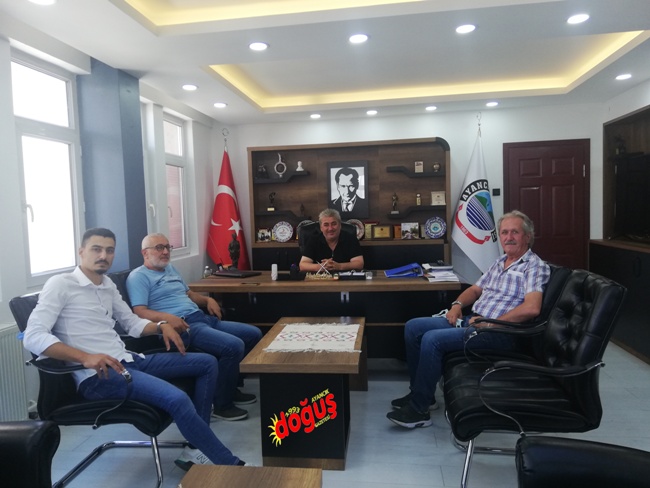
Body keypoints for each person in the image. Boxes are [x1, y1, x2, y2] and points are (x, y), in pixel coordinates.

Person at [22, 228, 246, 471]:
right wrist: (85, 357)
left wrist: (161, 326)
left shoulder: (107, 284)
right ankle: (232, 467)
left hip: (129, 359)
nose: (103, 256)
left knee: (206, 363)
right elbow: (33, 336)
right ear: (81, 251)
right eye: (96, 249)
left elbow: (131, 323)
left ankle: (196, 449)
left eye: (109, 250)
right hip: (99, 376)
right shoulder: (61, 284)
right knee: (177, 398)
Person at [386, 210, 550, 429]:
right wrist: (456, 306)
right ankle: (423, 394)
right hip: (475, 321)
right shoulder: (500, 261)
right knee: (413, 327)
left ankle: (419, 410)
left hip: (501, 332)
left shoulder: (534, 266)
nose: (509, 237)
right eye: (504, 232)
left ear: (527, 236)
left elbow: (532, 308)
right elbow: (474, 290)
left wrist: (492, 323)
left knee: (432, 339)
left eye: (515, 232)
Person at [126, 233, 262, 421]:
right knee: (233, 345)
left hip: (202, 318)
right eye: (159, 248)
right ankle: (221, 405)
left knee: (253, 334)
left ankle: (230, 389)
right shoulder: (138, 277)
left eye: (167, 247)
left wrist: (207, 300)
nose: (165, 252)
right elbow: (139, 311)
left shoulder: (170, 269)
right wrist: (167, 318)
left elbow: (189, 294)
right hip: (184, 326)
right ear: (145, 253)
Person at [299, 208, 364, 273]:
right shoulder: (314, 239)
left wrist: (339, 266)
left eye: (334, 224)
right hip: (321, 278)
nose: (330, 228)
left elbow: (359, 264)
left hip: (344, 278)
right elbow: (302, 265)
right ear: (321, 228)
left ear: (340, 225)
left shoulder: (350, 238)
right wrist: (322, 267)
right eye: (326, 225)